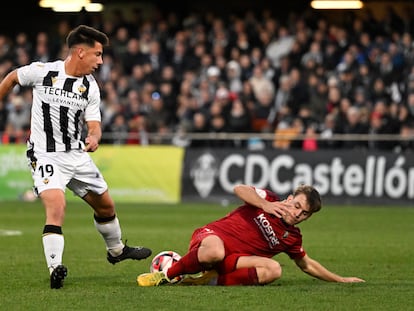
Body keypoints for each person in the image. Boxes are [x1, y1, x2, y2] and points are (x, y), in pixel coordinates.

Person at [0, 25, 152, 289]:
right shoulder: (44, 72)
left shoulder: (90, 87)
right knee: (56, 206)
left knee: (106, 207)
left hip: (76, 155)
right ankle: (55, 267)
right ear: (80, 52)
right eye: (98, 54)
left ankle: (116, 251)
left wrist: (94, 137)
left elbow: (94, 123)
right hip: (45, 154)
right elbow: (13, 77)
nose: (101, 61)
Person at [137, 184, 365, 286]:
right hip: (212, 237)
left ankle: (207, 281)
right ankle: (166, 276)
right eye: (297, 206)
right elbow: (239, 189)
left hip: (233, 260)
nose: (298, 214)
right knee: (216, 251)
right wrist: (265, 205)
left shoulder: (292, 237)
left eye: (305, 214)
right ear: (289, 198)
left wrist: (341, 279)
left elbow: (306, 265)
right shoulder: (269, 199)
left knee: (274, 270)